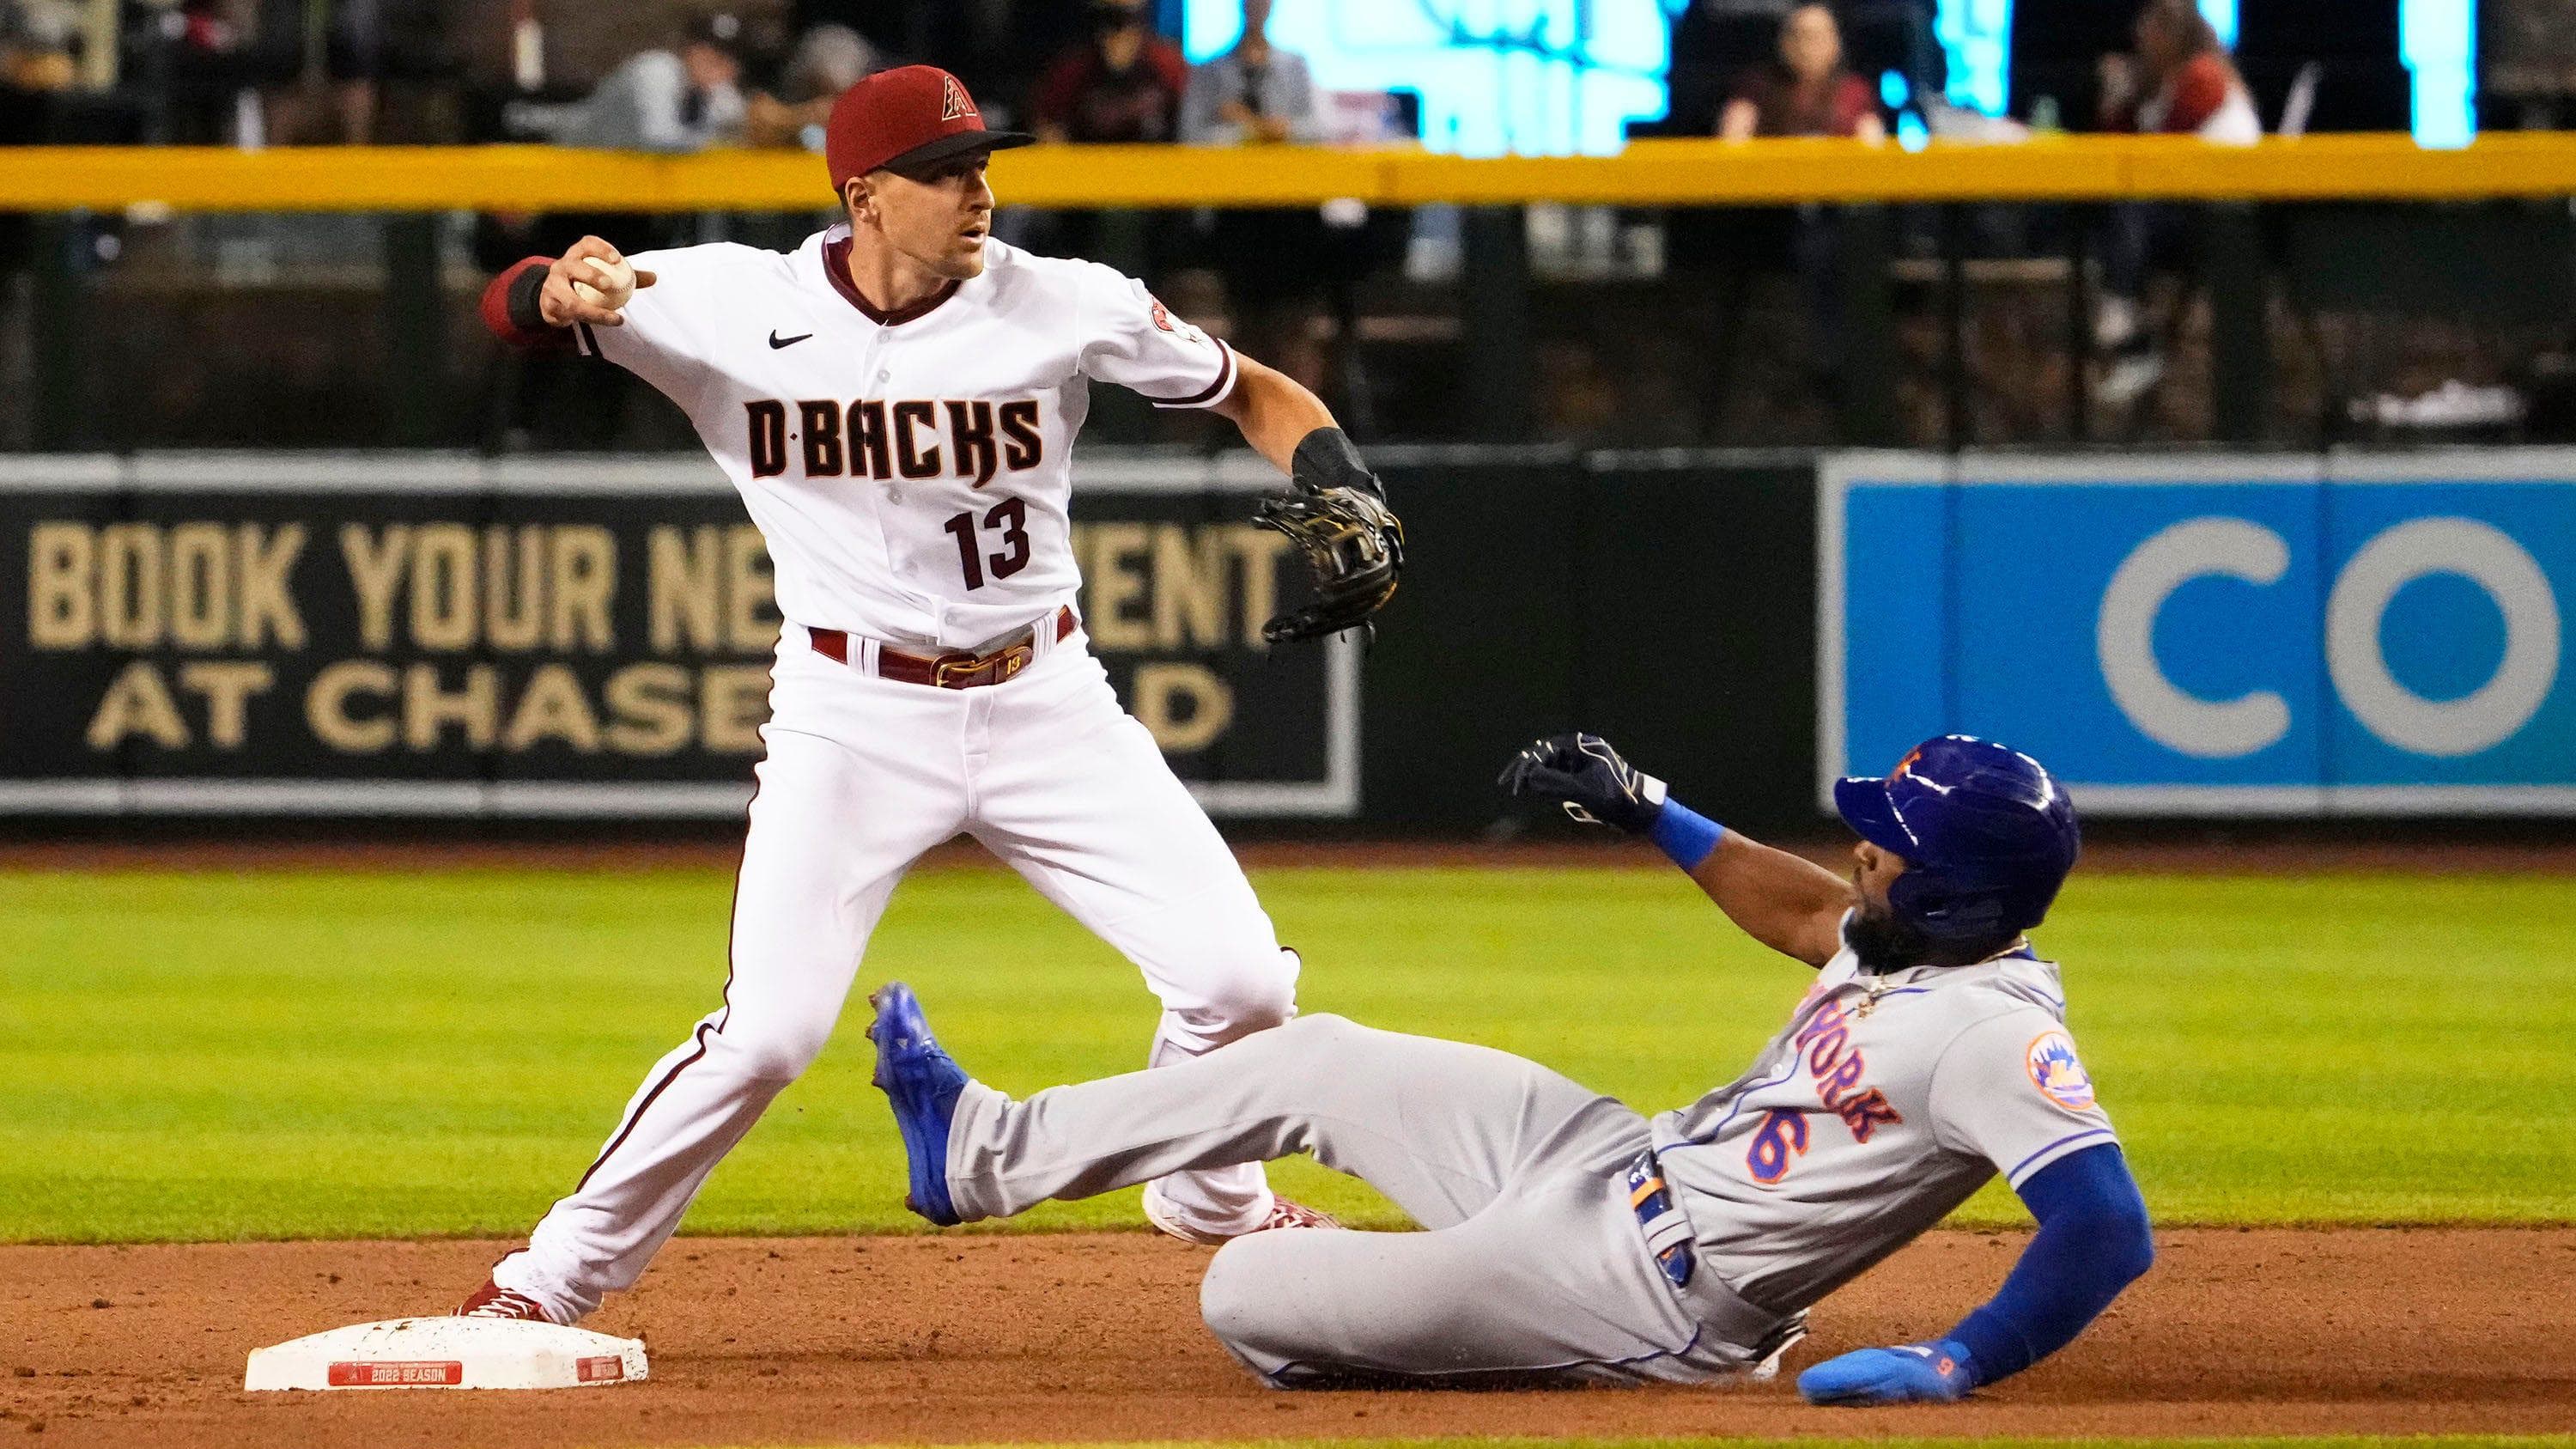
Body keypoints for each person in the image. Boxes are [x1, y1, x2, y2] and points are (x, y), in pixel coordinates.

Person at [458, 64, 1405, 1325]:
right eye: (947, 174)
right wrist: (546, 285)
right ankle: (549, 1277)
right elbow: (516, 308)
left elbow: (1251, 390)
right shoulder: (731, 299)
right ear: (864, 195)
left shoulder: (1065, 302)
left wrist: (1341, 471)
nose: (981, 193)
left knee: (1240, 983)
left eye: (984, 166)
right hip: (853, 713)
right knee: (770, 1032)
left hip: (1046, 696)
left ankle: (1210, 1196)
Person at [869, 733, 2153, 1396]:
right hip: (1613, 1160)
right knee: (1315, 1054)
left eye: (1890, 847)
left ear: (1961, 900)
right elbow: (1805, 913)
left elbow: (2104, 1225)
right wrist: (1653, 805)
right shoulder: (1894, 936)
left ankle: (1505, 1335)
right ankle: (978, 1150)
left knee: (1245, 1287)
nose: (1864, 851)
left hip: (1646, 1297)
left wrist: (1959, 1358)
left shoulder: (1993, 1031)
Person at [1702, 3, 1884, 428]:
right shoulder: (1759, 86)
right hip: (1768, 218)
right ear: (1784, 44)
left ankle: (1833, 364)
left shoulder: (1853, 91)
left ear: (1836, 43)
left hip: (1835, 216)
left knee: (1835, 242)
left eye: (1819, 36)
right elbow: (1731, 143)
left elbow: (1874, 152)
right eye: (1799, 36)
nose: (1809, 47)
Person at [2093, 0, 2261, 406]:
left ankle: (2125, 326)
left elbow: (2155, 160)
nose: (2141, 50)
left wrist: (2127, 93)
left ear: (2171, 39)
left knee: (2129, 212)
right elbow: (2127, 152)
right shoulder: (2169, 82)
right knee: (2122, 210)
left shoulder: (2202, 76)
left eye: (2149, 41)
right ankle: (2131, 335)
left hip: (2233, 224)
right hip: (2196, 213)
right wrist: (2119, 102)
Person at [1182, 0, 1330, 393]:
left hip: (1293, 213)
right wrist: (1244, 131)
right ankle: (1245, 409)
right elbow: (1191, 137)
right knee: (1245, 319)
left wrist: (1275, 130)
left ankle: (1302, 414)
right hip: (1237, 216)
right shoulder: (1212, 70)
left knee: (1296, 320)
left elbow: (1319, 128)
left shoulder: (1295, 65)